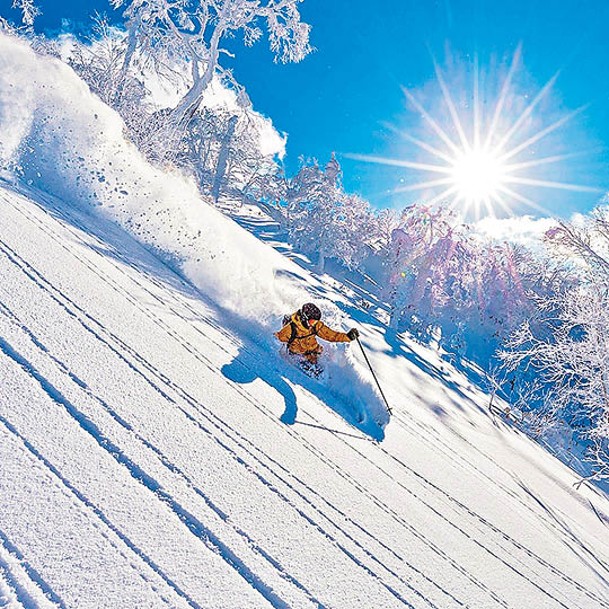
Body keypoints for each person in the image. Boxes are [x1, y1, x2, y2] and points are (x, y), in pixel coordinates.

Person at [275, 302, 359, 376]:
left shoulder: (316, 326)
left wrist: (348, 337)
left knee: (326, 367)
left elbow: (330, 335)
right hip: (299, 356)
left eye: (315, 322)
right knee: (315, 372)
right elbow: (277, 339)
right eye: (312, 322)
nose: (314, 324)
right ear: (304, 318)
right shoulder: (291, 328)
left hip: (315, 352)